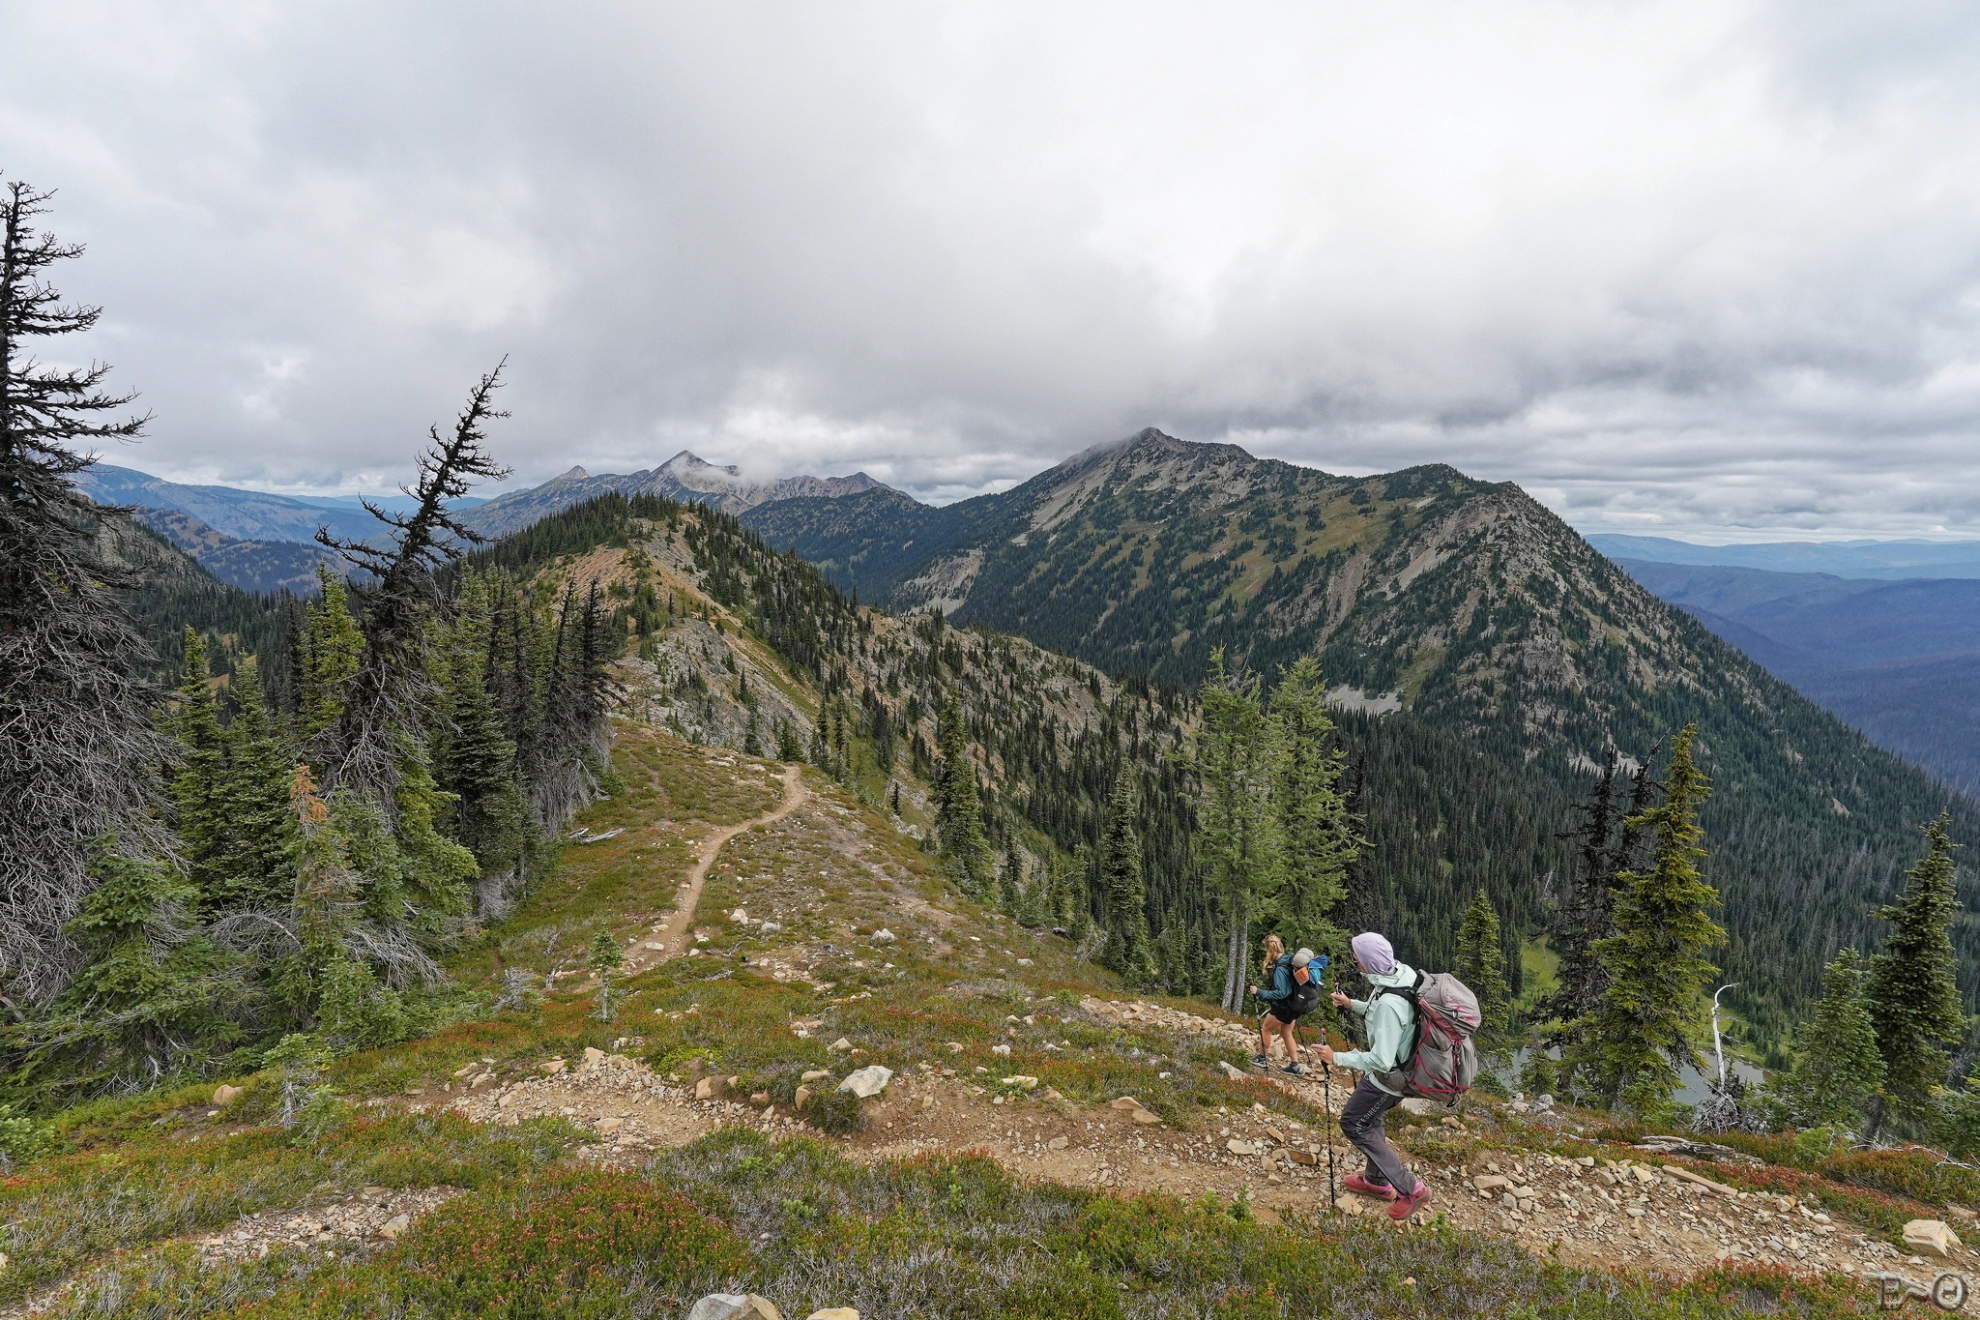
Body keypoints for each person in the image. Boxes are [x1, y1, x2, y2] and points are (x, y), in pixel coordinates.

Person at [1315, 931, 1433, 1220]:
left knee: (1353, 1123)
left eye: (1358, 959)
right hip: (1395, 1071)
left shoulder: (1389, 1004)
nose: (1356, 962)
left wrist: (1336, 1057)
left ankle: (1411, 1189)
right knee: (1371, 1118)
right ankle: (1377, 1182)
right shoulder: (1399, 975)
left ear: (1368, 962)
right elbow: (1381, 1010)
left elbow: (1381, 1058)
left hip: (1388, 1079)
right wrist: (1351, 1004)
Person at [1249, 936, 1325, 1075]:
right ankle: (1295, 1066)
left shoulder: (1280, 969)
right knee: (1286, 1032)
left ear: (1269, 950)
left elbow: (1281, 993)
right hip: (1296, 1005)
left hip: (1283, 1007)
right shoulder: (1290, 959)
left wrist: (1259, 992)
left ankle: (1262, 1058)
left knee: (1266, 1030)